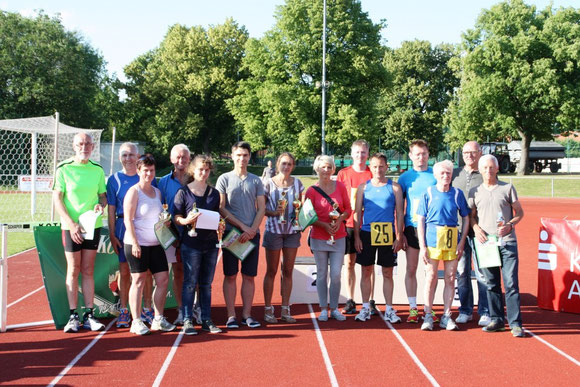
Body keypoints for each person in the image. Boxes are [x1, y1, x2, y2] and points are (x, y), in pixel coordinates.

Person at [53, 132, 107, 333]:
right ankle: (73, 316)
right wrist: (71, 224)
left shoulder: (97, 170)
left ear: (92, 147)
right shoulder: (63, 169)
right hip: (71, 227)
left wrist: (101, 206)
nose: (84, 146)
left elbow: (103, 197)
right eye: (80, 143)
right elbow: (57, 199)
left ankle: (90, 315)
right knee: (73, 269)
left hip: (92, 226)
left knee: (88, 269)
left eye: (88, 143)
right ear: (74, 146)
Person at [468, 154, 525, 337]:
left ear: (497, 169)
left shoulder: (507, 188)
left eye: (492, 167)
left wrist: (510, 225)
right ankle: (497, 320)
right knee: (491, 284)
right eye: (485, 168)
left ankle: (515, 323)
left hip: (507, 242)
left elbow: (520, 212)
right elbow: (471, 216)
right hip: (487, 243)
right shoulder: (474, 191)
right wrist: (476, 228)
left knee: (510, 283)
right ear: (480, 170)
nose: (488, 170)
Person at [123, 154, 176, 335]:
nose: (148, 173)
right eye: (145, 170)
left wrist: (165, 223)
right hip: (137, 244)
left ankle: (158, 318)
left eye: (151, 170)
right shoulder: (134, 192)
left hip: (156, 244)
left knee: (162, 280)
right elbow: (128, 220)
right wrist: (135, 243)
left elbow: (158, 217)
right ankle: (136, 321)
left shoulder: (157, 192)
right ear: (138, 171)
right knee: (138, 281)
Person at [217, 141, 266, 329]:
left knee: (249, 276)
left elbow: (261, 208)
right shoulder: (224, 179)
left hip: (251, 234)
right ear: (232, 156)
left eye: (245, 155)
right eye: (238, 155)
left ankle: (247, 314)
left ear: (249, 157)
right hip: (231, 235)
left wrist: (252, 229)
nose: (242, 159)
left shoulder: (256, 180)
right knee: (230, 275)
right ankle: (231, 316)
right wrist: (242, 227)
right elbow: (221, 207)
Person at [417, 160, 470, 331]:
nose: (445, 176)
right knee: (431, 277)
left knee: (450, 277)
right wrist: (423, 245)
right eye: (442, 173)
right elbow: (421, 220)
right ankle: (428, 314)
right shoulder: (429, 193)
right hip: (432, 240)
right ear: (436, 175)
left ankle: (446, 315)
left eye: (448, 173)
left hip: (451, 240)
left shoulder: (457, 194)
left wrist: (461, 241)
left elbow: (466, 217)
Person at [106, 142, 155, 328]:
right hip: (122, 228)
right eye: (124, 155)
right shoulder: (114, 180)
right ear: (120, 157)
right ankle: (124, 310)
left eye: (132, 155)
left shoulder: (147, 175)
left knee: (147, 271)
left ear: (138, 156)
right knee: (125, 271)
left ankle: (148, 309)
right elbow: (111, 209)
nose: (128, 159)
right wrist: (112, 233)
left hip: (145, 228)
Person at [174, 155, 224, 335]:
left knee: (206, 284)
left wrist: (219, 225)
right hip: (191, 244)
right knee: (189, 283)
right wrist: (186, 220)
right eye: (200, 169)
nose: (203, 173)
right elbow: (176, 217)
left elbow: (217, 215)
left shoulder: (214, 193)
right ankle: (187, 320)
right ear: (192, 170)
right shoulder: (183, 192)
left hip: (210, 244)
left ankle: (206, 319)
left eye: (207, 170)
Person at [353, 153, 404, 323]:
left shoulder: (395, 188)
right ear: (370, 167)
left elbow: (399, 214)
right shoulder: (363, 188)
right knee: (366, 271)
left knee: (387, 272)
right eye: (374, 166)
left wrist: (398, 236)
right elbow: (357, 214)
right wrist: (357, 237)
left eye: (381, 166)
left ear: (386, 167)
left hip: (387, 234)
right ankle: (365, 307)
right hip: (367, 233)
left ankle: (389, 309)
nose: (378, 170)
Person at [305, 155, 351, 322]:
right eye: (323, 167)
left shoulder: (340, 186)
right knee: (323, 273)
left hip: (338, 236)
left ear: (333, 169)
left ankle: (335, 308)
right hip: (319, 236)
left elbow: (348, 209)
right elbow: (307, 216)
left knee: (337, 274)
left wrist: (339, 220)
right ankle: (323, 308)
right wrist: (324, 225)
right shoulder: (311, 191)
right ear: (317, 169)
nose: (326, 170)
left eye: (329, 167)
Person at [262, 152, 304, 324]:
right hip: (273, 230)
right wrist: (274, 212)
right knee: (271, 271)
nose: (286, 167)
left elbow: (299, 207)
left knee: (288, 271)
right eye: (283, 163)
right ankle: (267, 309)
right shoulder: (268, 183)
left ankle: (285, 308)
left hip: (292, 232)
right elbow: (261, 209)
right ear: (278, 164)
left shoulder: (298, 184)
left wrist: (300, 216)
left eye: (289, 164)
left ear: (293, 166)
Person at [398, 139, 437, 323]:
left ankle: (428, 308)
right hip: (412, 228)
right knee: (411, 268)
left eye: (424, 154)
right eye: (417, 154)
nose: (421, 157)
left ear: (428, 155)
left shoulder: (436, 175)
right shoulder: (405, 178)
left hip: (433, 228)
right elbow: (398, 208)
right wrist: (401, 232)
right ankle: (413, 308)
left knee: (431, 271)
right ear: (411, 156)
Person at [452, 141, 490, 326]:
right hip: (458, 231)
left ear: (480, 153)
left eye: (473, 152)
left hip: (480, 231)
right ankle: (465, 310)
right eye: (466, 152)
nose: (469, 155)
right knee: (462, 272)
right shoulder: (454, 173)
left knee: (483, 272)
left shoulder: (485, 173)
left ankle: (484, 311)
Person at [336, 140, 373, 315]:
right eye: (357, 152)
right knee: (349, 263)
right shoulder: (343, 174)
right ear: (351, 154)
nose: (360, 155)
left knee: (369, 266)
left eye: (363, 152)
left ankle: (370, 300)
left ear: (368, 154)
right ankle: (350, 300)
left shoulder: (372, 173)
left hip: (368, 225)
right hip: (348, 223)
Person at [158, 144, 191, 325]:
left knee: (195, 272)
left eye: (184, 157)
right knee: (177, 272)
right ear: (171, 159)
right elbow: (159, 207)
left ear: (189, 159)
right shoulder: (162, 182)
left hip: (194, 234)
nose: (181, 161)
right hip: (172, 235)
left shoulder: (196, 178)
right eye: (177, 157)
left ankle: (198, 308)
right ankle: (181, 309)